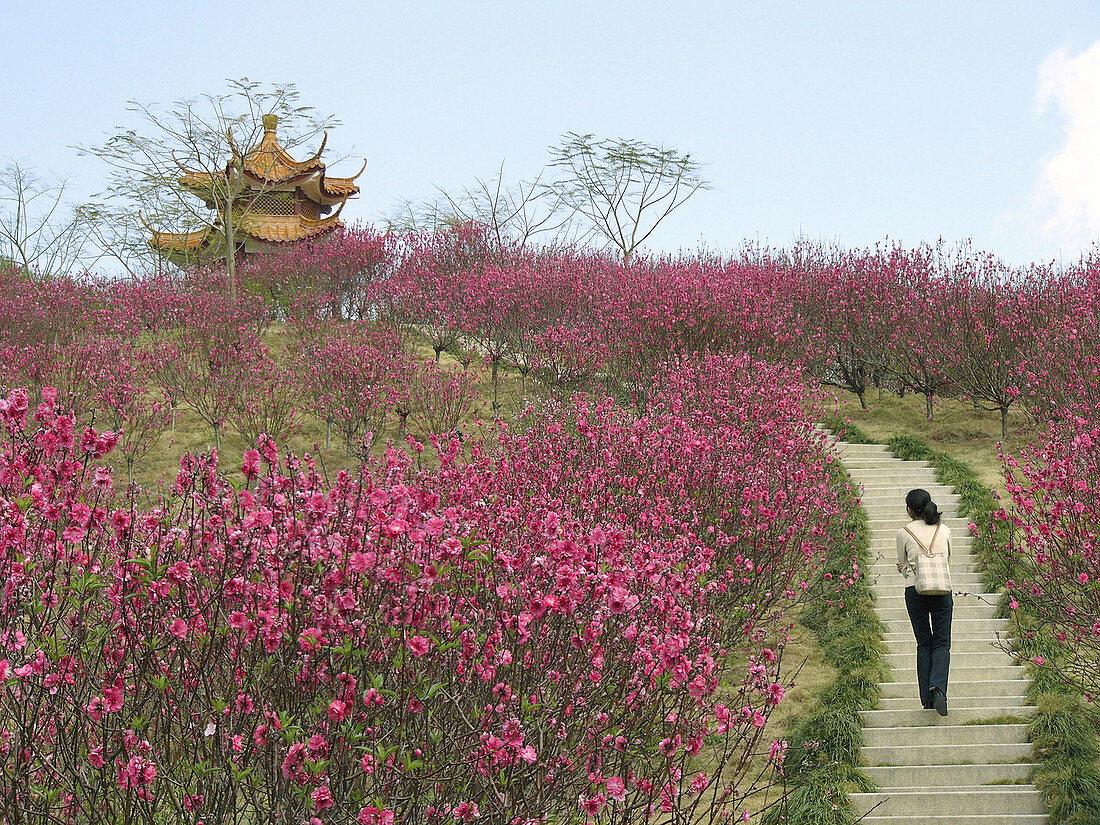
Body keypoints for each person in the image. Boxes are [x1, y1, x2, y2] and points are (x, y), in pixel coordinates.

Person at [895, 488, 952, 716]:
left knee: (923, 643)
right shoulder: (944, 529)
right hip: (941, 589)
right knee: (941, 643)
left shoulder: (904, 532)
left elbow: (903, 564)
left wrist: (907, 569)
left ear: (910, 510)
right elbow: (947, 557)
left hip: (915, 590)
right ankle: (938, 688)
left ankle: (927, 700)